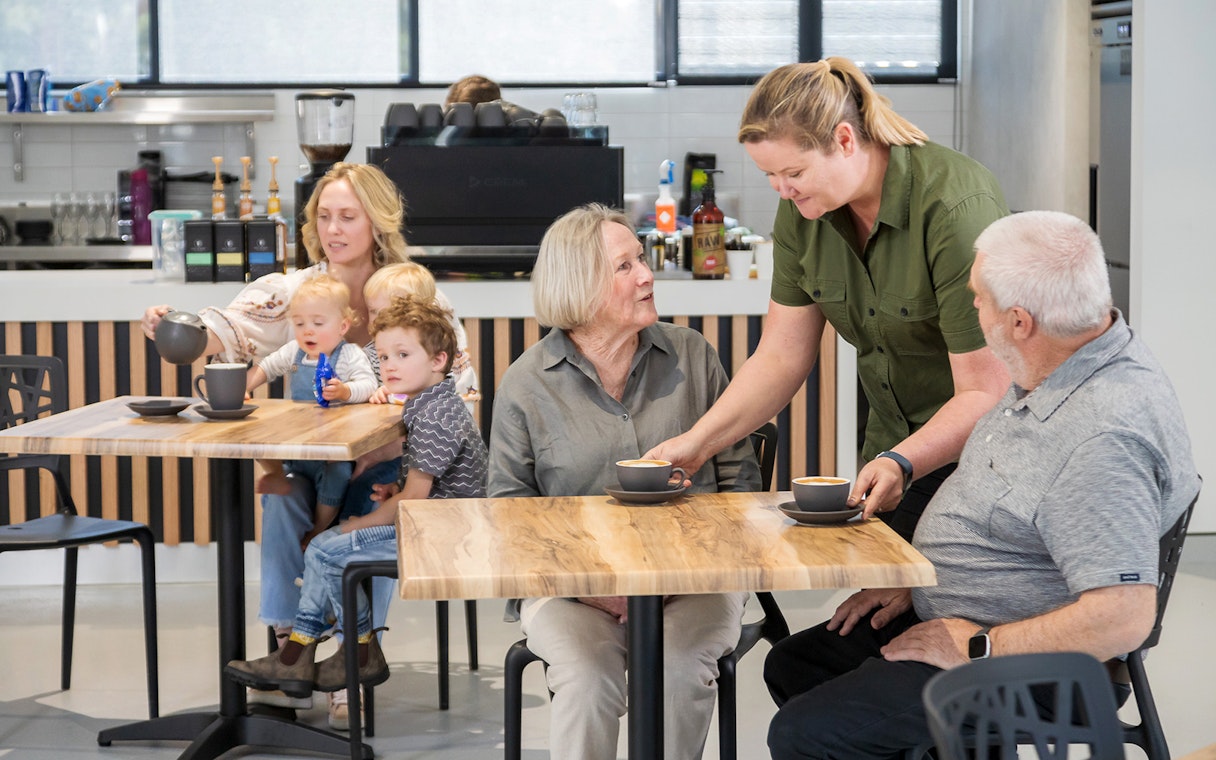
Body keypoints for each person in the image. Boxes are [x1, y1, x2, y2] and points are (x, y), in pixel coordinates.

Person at [763, 210, 1201, 760]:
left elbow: (1122, 616)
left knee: (806, 732)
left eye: (978, 298)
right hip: (977, 618)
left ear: (1019, 321)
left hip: (1037, 666)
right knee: (796, 664)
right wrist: (925, 583)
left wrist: (977, 646)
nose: (971, 308)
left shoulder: (1102, 437)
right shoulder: (1065, 355)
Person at [139, 161, 479, 727]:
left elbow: (459, 384)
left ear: (377, 222)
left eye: (348, 216)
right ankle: (290, 657)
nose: (333, 229)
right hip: (316, 461)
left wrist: (393, 444)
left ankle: (349, 662)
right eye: (324, 216)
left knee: (367, 504)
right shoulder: (298, 290)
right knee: (281, 497)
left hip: (391, 465)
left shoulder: (413, 292)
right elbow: (226, 329)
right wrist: (169, 322)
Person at [647, 58, 1012, 541]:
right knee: (871, 590)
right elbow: (780, 357)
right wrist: (698, 444)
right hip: (893, 455)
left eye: (794, 171)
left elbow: (985, 391)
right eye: (769, 175)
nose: (782, 190)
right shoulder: (803, 213)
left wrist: (902, 461)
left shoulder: (954, 208)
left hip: (981, 462)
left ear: (843, 140)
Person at [488, 203, 762, 760]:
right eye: (625, 266)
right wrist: (588, 587)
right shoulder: (525, 384)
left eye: (641, 259)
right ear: (578, 286)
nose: (646, 275)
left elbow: (741, 484)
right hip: (570, 590)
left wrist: (690, 571)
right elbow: (510, 515)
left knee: (678, 670)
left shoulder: (693, 355)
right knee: (587, 679)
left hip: (696, 581)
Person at [224, 295, 488, 697]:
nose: (389, 366)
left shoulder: (434, 415)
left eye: (402, 355)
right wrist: (395, 490)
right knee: (329, 549)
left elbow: (415, 500)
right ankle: (320, 654)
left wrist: (361, 523)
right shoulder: (430, 403)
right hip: (435, 521)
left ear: (439, 360)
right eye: (383, 357)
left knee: (324, 549)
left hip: (444, 535)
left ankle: (339, 651)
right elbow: (426, 485)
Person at [244, 275, 378, 550]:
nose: (308, 331)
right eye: (300, 323)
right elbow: (267, 367)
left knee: (338, 475)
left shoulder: (349, 355)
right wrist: (244, 387)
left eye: (318, 323)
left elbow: (368, 385)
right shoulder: (294, 351)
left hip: (330, 448)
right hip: (295, 442)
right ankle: (277, 475)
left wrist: (345, 391)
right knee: (255, 437)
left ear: (342, 326)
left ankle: (318, 528)